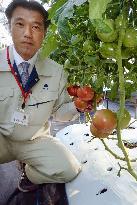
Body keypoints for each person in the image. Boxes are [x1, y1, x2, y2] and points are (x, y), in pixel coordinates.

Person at [0, 0, 82, 192]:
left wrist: (77, 105)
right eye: (20, 24)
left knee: (69, 170)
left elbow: (61, 113)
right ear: (9, 27)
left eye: (36, 26)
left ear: (44, 33)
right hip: (2, 138)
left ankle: (29, 174)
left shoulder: (57, 71)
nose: (28, 33)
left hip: (34, 140)